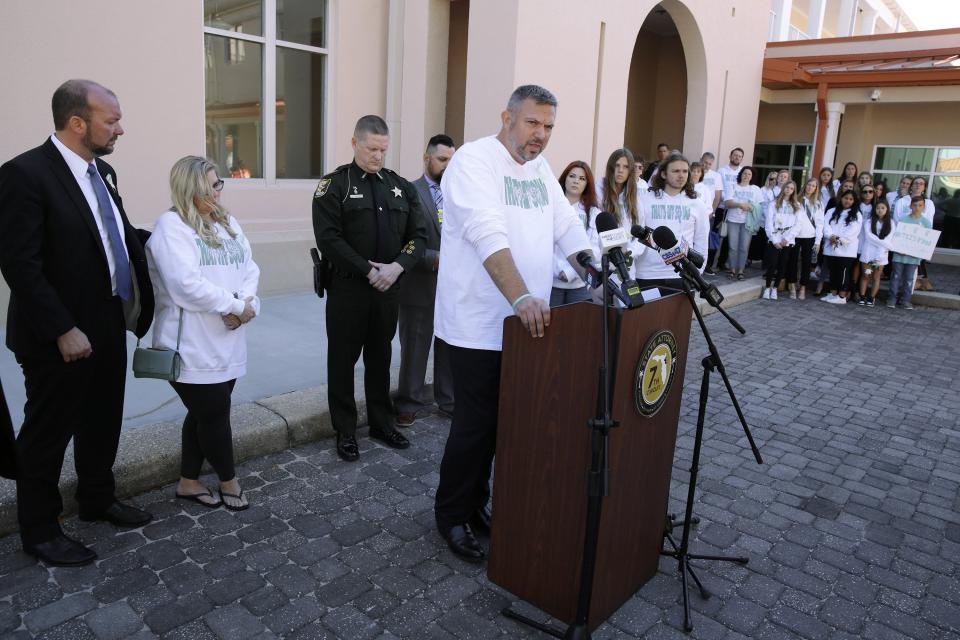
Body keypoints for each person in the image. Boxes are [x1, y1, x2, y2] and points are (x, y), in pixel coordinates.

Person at [432, 85, 593, 562]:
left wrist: (595, 269)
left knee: (505, 424)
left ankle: (476, 504)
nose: (541, 135)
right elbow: (486, 232)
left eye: (548, 127)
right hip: (478, 322)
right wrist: (521, 294)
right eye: (532, 123)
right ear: (507, 117)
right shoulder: (474, 161)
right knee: (474, 424)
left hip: (526, 324)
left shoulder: (540, 169)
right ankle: (451, 515)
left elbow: (565, 225)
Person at [0, 80, 155, 566]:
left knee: (104, 416)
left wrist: (183, 235)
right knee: (47, 431)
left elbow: (119, 238)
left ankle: (97, 498)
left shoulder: (102, 172)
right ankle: (40, 530)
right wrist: (62, 328)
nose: (120, 129)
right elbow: (19, 264)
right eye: (112, 120)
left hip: (107, 319)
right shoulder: (24, 174)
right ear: (77, 123)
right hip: (58, 334)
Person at [145, 156, 259, 510]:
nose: (216, 192)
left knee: (202, 414)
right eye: (208, 187)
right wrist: (235, 306)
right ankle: (229, 482)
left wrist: (246, 305)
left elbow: (249, 268)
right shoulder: (171, 227)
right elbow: (185, 286)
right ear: (187, 189)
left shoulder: (227, 223)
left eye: (218, 184)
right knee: (214, 415)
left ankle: (188, 482)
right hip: (189, 345)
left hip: (227, 340)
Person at [312, 115, 428, 462]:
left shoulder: (400, 187)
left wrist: (397, 267)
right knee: (342, 361)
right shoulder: (334, 185)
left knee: (380, 358)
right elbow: (329, 239)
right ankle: (345, 430)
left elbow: (418, 236)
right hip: (348, 290)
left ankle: (381, 422)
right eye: (371, 148)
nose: (378, 156)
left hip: (388, 287)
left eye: (383, 149)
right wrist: (367, 270)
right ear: (354, 143)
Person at [395, 134, 457, 427]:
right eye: (443, 159)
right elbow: (402, 242)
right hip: (420, 284)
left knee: (450, 345)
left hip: (454, 289)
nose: (448, 166)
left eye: (452, 161)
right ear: (427, 158)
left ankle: (449, 400)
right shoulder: (409, 192)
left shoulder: (460, 193)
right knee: (415, 347)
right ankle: (408, 402)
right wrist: (436, 258)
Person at [635, 153, 710, 289]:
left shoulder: (697, 204)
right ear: (663, 174)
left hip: (681, 276)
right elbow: (635, 236)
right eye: (676, 171)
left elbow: (702, 241)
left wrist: (697, 274)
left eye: (685, 171)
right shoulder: (645, 199)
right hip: (647, 274)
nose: (681, 175)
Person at [552, 161, 601, 306]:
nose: (575, 181)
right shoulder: (550, 208)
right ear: (564, 178)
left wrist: (569, 272)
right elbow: (543, 244)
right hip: (551, 283)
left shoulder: (593, 213)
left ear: (587, 184)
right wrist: (557, 271)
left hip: (580, 285)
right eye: (572, 176)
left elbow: (595, 249)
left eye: (582, 178)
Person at [598, 148, 644, 274]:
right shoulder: (599, 191)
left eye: (626, 167)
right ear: (611, 167)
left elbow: (642, 234)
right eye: (617, 165)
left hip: (626, 266)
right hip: (602, 263)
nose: (620, 171)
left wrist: (630, 253)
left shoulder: (635, 198)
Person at [888, 195, 932, 310]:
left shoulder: (926, 223)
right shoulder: (903, 219)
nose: (917, 207)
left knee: (909, 279)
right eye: (915, 205)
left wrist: (921, 254)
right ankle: (892, 299)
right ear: (911, 206)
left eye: (920, 205)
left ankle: (905, 300)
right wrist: (899, 249)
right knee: (895, 277)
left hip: (913, 257)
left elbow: (926, 242)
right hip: (899, 255)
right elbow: (897, 237)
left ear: (924, 207)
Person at [761, 181, 801, 300]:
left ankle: (775, 288)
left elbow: (798, 225)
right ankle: (768, 287)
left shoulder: (797, 205)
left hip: (787, 240)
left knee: (782, 265)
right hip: (775, 239)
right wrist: (774, 240)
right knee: (772, 264)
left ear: (794, 191)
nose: (788, 190)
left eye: (791, 188)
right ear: (783, 188)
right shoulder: (774, 203)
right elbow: (769, 223)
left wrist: (786, 239)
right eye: (787, 187)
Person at [821, 190, 862, 304]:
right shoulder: (831, 211)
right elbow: (826, 225)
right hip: (831, 247)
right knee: (833, 272)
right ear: (841, 198)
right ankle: (833, 293)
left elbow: (853, 231)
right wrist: (831, 236)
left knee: (842, 272)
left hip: (846, 250)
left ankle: (842, 296)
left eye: (850, 199)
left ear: (854, 201)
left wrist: (837, 239)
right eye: (846, 198)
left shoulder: (857, 214)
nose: (847, 201)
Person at [787, 178, 824, 300]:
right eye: (809, 185)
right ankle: (792, 284)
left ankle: (803, 287)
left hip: (810, 236)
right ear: (805, 185)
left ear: (816, 189)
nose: (810, 187)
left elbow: (820, 223)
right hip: (795, 236)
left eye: (813, 186)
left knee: (807, 263)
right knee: (792, 261)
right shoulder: (796, 199)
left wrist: (818, 241)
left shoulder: (818, 203)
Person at [722, 166, 762, 280]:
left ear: (752, 177)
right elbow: (728, 203)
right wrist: (740, 205)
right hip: (733, 220)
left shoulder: (755, 189)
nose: (746, 176)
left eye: (749, 174)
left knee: (744, 247)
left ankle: (741, 270)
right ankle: (732, 269)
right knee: (732, 246)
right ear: (741, 174)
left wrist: (751, 206)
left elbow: (760, 206)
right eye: (745, 173)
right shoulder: (733, 186)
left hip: (747, 222)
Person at [857, 199, 894, 307]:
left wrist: (884, 245)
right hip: (868, 253)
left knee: (876, 277)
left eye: (883, 208)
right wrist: (884, 244)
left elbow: (889, 238)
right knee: (866, 275)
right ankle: (862, 296)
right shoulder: (868, 222)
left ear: (887, 209)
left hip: (881, 255)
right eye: (878, 208)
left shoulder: (891, 223)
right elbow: (869, 237)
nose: (880, 210)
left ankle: (871, 298)